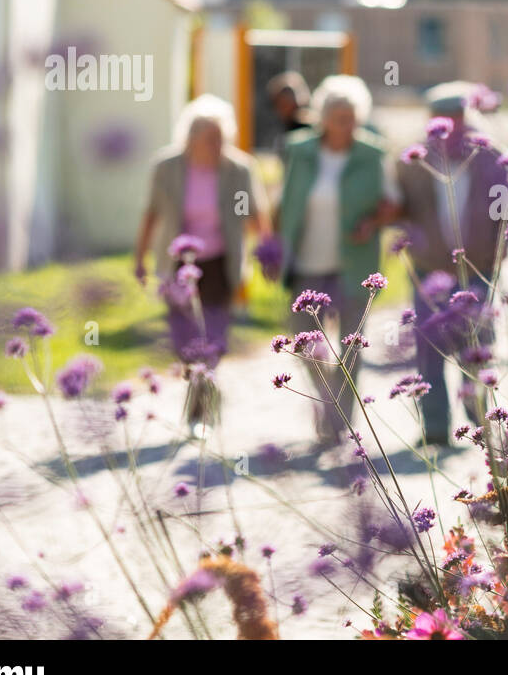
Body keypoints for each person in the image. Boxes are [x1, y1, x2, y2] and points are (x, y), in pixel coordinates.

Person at [279, 75, 397, 446]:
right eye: (337, 116)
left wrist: (373, 221)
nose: (345, 123)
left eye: (350, 117)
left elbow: (392, 202)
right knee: (303, 340)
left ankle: (338, 424)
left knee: (350, 347)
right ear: (322, 116)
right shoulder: (299, 150)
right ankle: (331, 401)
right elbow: (284, 199)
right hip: (307, 264)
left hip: (354, 265)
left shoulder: (372, 154)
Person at [394, 83, 508, 447]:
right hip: (429, 267)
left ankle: (480, 418)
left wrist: (502, 248)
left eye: (459, 118)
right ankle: (435, 429)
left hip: (477, 266)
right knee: (429, 345)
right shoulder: (414, 160)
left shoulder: (490, 155)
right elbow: (401, 206)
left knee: (476, 343)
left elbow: (507, 209)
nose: (452, 127)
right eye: (443, 120)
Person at [134, 95, 271, 403]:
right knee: (184, 338)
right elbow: (151, 213)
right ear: (191, 138)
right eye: (211, 139)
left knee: (215, 334)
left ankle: (203, 396)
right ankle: (199, 387)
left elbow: (257, 214)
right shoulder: (167, 168)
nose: (218, 145)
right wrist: (139, 259)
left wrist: (268, 252)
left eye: (222, 138)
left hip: (221, 263)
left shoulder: (239, 169)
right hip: (178, 265)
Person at [265, 72, 314, 153]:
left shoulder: (310, 128)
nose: (281, 109)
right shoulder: (283, 125)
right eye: (279, 104)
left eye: (286, 104)